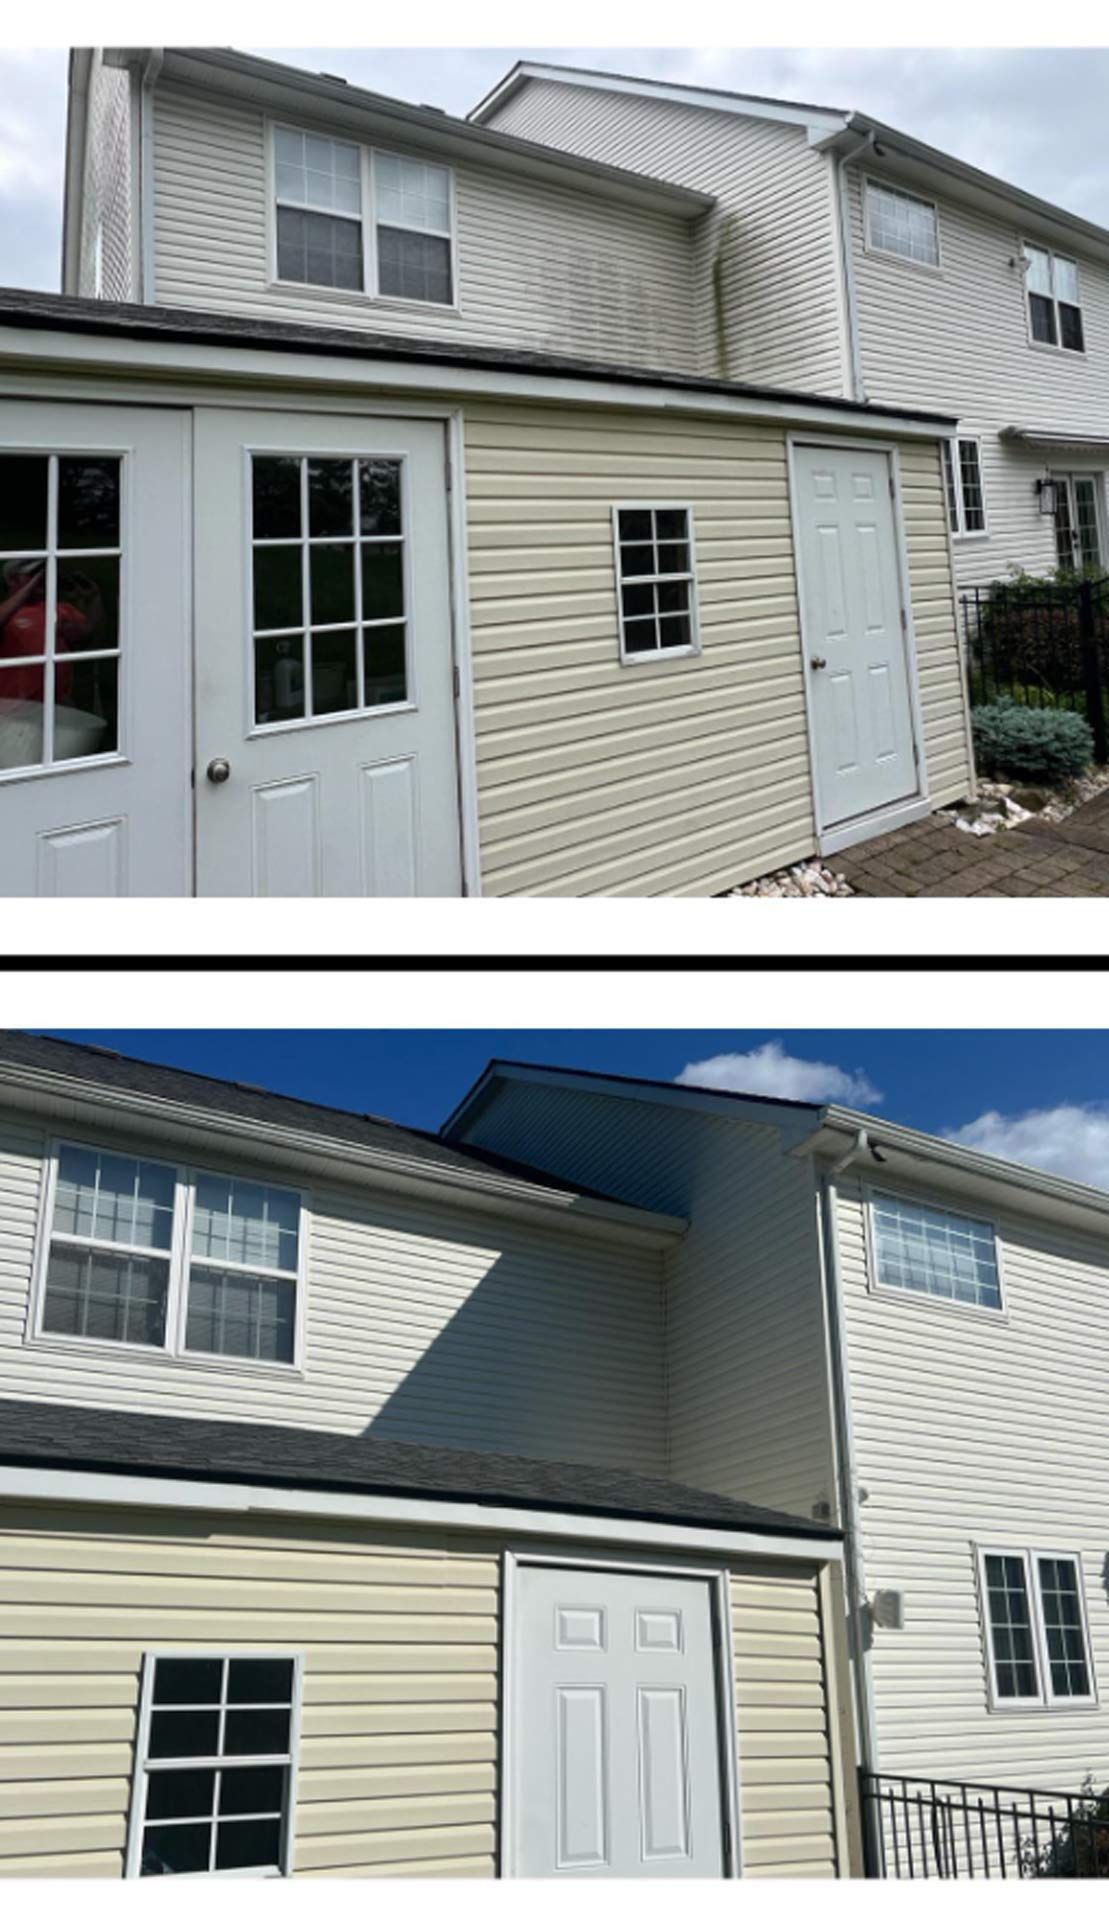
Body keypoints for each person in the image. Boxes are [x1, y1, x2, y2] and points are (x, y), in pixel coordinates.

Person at [0, 560, 102, 705]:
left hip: (52, 707)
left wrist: (93, 598)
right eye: (33, 574)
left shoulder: (57, 609)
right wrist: (30, 586)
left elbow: (87, 631)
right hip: (12, 709)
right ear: (12, 579)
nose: (42, 578)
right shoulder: (7, 613)